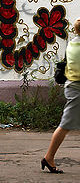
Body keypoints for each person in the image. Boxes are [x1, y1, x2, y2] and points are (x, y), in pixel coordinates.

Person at [41, 18, 80, 173]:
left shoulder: (72, 43)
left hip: (73, 87)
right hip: (77, 90)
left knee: (66, 124)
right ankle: (48, 157)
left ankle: (49, 157)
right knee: (65, 125)